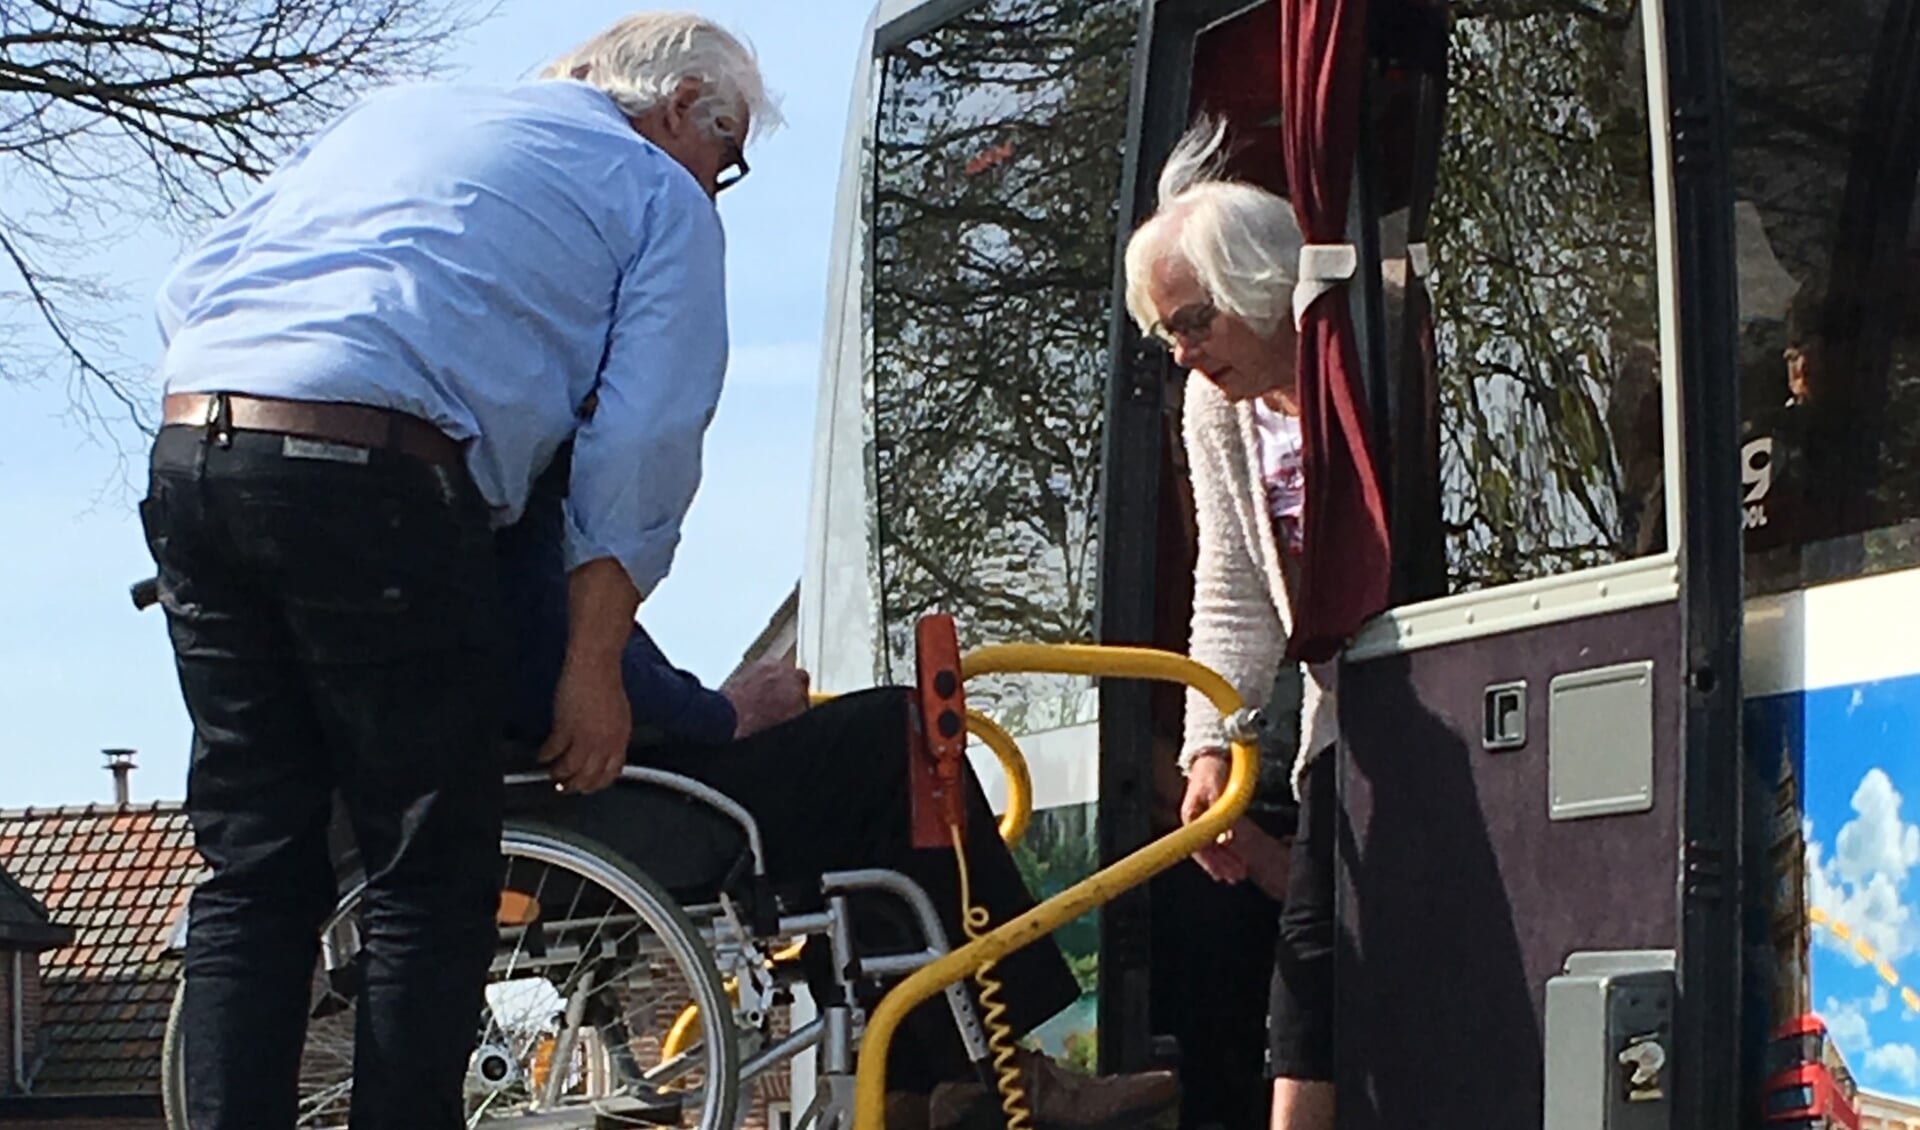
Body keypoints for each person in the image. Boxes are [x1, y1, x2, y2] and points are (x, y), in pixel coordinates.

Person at [139, 15, 773, 1129]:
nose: (719, 191)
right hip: (375, 474)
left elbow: (194, 283)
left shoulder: (402, 115)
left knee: (254, 863)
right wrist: (594, 665)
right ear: (683, 106)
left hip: (198, 445)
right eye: (730, 164)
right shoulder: (657, 193)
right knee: (427, 865)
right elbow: (644, 441)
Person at [491, 453, 1183, 1130]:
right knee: (893, 734)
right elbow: (557, 664)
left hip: (568, 799)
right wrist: (726, 712)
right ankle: (991, 1072)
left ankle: (918, 1084)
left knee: (859, 795)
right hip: (607, 803)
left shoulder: (470, 495)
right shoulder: (520, 503)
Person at [1122, 117, 1340, 1130]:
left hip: (1433, 675)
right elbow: (1233, 584)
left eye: (1196, 318)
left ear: (1264, 283)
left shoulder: (1366, 352)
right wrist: (1213, 739)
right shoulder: (1218, 412)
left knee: (1324, 956)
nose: (1184, 350)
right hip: (1341, 711)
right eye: (1166, 331)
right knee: (1311, 963)